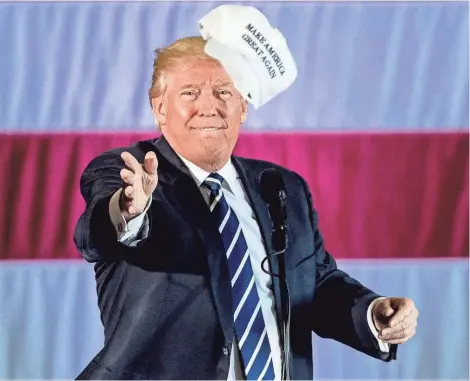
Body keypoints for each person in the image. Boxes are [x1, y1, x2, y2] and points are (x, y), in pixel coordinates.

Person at [74, 17, 419, 381]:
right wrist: (130, 210)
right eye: (189, 93)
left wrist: (370, 312)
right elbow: (98, 234)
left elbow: (314, 283)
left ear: (243, 107)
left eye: (224, 91)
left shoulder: (283, 186)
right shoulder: (126, 171)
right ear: (160, 109)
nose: (209, 106)